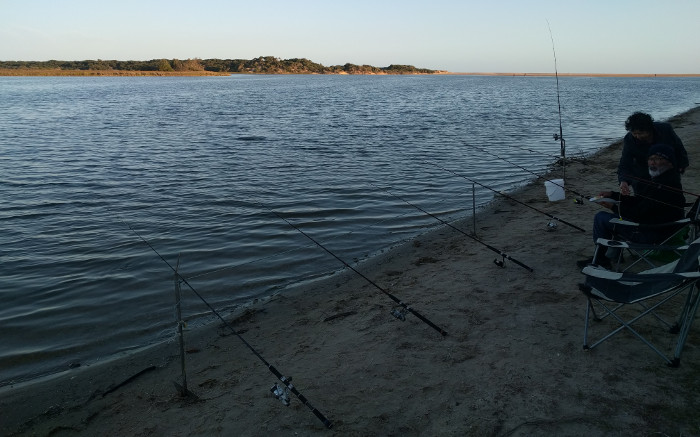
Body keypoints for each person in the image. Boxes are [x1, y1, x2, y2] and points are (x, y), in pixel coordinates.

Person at [579, 143, 686, 269]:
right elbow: (640, 202)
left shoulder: (664, 186)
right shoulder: (663, 180)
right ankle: (611, 255)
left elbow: (639, 214)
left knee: (601, 218)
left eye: (658, 159)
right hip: (662, 229)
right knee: (615, 216)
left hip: (653, 233)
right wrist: (614, 195)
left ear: (670, 163)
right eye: (651, 159)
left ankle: (601, 260)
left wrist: (614, 207)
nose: (653, 162)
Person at [618, 112, 688, 196]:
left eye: (640, 133)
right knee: (644, 205)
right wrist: (623, 181)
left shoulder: (665, 129)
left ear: (649, 129)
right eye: (634, 133)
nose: (637, 136)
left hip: (667, 171)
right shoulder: (629, 139)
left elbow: (679, 148)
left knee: (673, 200)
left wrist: (681, 165)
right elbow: (625, 162)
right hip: (642, 176)